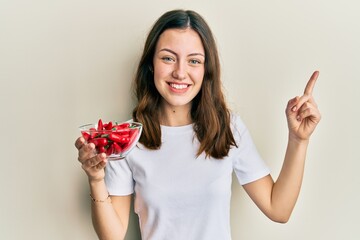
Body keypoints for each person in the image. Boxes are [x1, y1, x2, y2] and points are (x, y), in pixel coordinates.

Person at [75, 9, 321, 240]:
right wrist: (96, 179)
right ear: (151, 65)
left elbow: (278, 209)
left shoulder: (229, 127)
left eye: (194, 61)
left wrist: (298, 140)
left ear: (206, 70)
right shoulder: (127, 137)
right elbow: (112, 235)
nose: (180, 73)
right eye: (168, 58)